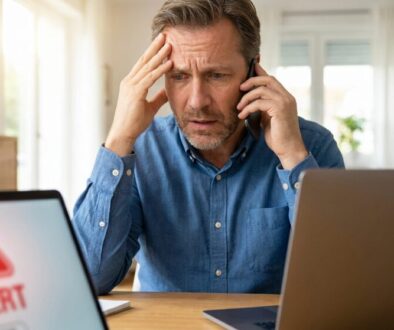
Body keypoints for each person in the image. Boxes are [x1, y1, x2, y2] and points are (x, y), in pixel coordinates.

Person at [73, 0, 344, 295]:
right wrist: (118, 140)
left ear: (253, 72)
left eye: (216, 76)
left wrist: (292, 156)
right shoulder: (139, 150)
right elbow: (90, 279)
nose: (196, 101)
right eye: (179, 76)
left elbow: (336, 282)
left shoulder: (312, 146)